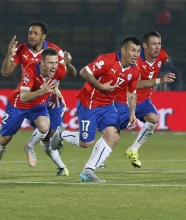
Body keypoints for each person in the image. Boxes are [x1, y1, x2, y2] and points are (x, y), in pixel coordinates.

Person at [51, 37, 141, 182]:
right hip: (89, 104)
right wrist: (100, 86)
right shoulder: (107, 60)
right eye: (133, 50)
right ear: (123, 50)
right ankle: (61, 134)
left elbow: (132, 92)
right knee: (85, 143)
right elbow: (84, 72)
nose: (136, 54)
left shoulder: (135, 70)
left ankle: (89, 170)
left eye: (138, 51)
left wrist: (132, 112)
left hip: (108, 106)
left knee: (113, 136)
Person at [0, 21, 76, 171]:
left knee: (52, 133)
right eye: (30, 33)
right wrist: (9, 55)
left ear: (43, 36)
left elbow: (63, 72)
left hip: (50, 96)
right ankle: (57, 163)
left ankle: (50, 150)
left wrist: (57, 86)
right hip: (33, 95)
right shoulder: (21, 49)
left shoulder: (54, 51)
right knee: (45, 131)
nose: (32, 36)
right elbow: (6, 72)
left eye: (35, 33)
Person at [0, 48, 67, 179]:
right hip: (18, 105)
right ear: (42, 63)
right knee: (5, 138)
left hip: (38, 105)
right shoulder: (30, 70)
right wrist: (42, 91)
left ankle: (29, 147)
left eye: (56, 62)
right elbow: (23, 97)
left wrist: (54, 91)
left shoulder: (60, 70)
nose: (54, 66)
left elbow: (56, 80)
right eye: (50, 63)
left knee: (44, 127)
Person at [120, 31, 175, 168]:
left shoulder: (162, 56)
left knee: (154, 119)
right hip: (128, 100)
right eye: (153, 44)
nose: (157, 47)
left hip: (144, 100)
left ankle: (133, 149)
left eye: (159, 44)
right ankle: (98, 160)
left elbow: (160, 62)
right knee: (112, 131)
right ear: (145, 46)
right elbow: (136, 84)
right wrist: (159, 81)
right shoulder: (136, 61)